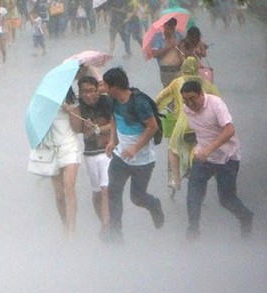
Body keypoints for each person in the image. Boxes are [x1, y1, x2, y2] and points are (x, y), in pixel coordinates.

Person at [180, 81, 254, 240]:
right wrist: (195, 148)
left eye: (192, 98)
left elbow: (230, 130)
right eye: (185, 100)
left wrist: (209, 149)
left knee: (226, 199)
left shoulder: (215, 104)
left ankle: (246, 216)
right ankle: (193, 230)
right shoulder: (187, 109)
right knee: (193, 193)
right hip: (204, 158)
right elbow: (198, 131)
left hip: (227, 157)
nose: (190, 104)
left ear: (201, 94)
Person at [103, 67, 165, 242]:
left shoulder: (139, 103)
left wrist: (135, 148)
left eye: (107, 86)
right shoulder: (113, 101)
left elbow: (152, 127)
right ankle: (116, 234)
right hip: (120, 157)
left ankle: (154, 205)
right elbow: (114, 118)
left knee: (137, 198)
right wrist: (112, 141)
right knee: (113, 192)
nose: (105, 90)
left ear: (115, 86)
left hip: (142, 161)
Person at [155, 57, 219, 195]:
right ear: (196, 69)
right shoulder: (206, 84)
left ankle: (176, 180)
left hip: (184, 123)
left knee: (173, 148)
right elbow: (219, 102)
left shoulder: (177, 82)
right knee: (202, 148)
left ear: (182, 69)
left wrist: (156, 109)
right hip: (203, 124)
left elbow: (160, 98)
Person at [71, 76, 113, 234]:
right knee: (96, 192)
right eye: (84, 92)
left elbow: (115, 124)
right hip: (90, 153)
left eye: (91, 91)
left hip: (107, 152)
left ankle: (106, 227)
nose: (88, 95)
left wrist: (97, 129)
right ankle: (104, 221)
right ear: (80, 93)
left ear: (97, 89)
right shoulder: (78, 106)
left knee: (105, 188)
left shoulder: (107, 102)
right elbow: (77, 130)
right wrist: (73, 113)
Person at [46, 89, 82, 235]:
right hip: (52, 151)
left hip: (70, 148)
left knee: (69, 188)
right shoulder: (46, 107)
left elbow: (78, 128)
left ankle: (71, 230)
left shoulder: (73, 103)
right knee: (59, 194)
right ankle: (65, 225)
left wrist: (69, 110)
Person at [150, 17, 184, 88]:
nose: (171, 31)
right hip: (166, 71)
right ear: (164, 26)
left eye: (173, 28)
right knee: (169, 93)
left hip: (179, 70)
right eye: (169, 27)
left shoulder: (178, 35)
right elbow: (155, 54)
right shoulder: (157, 37)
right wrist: (168, 47)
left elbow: (184, 48)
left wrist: (179, 47)